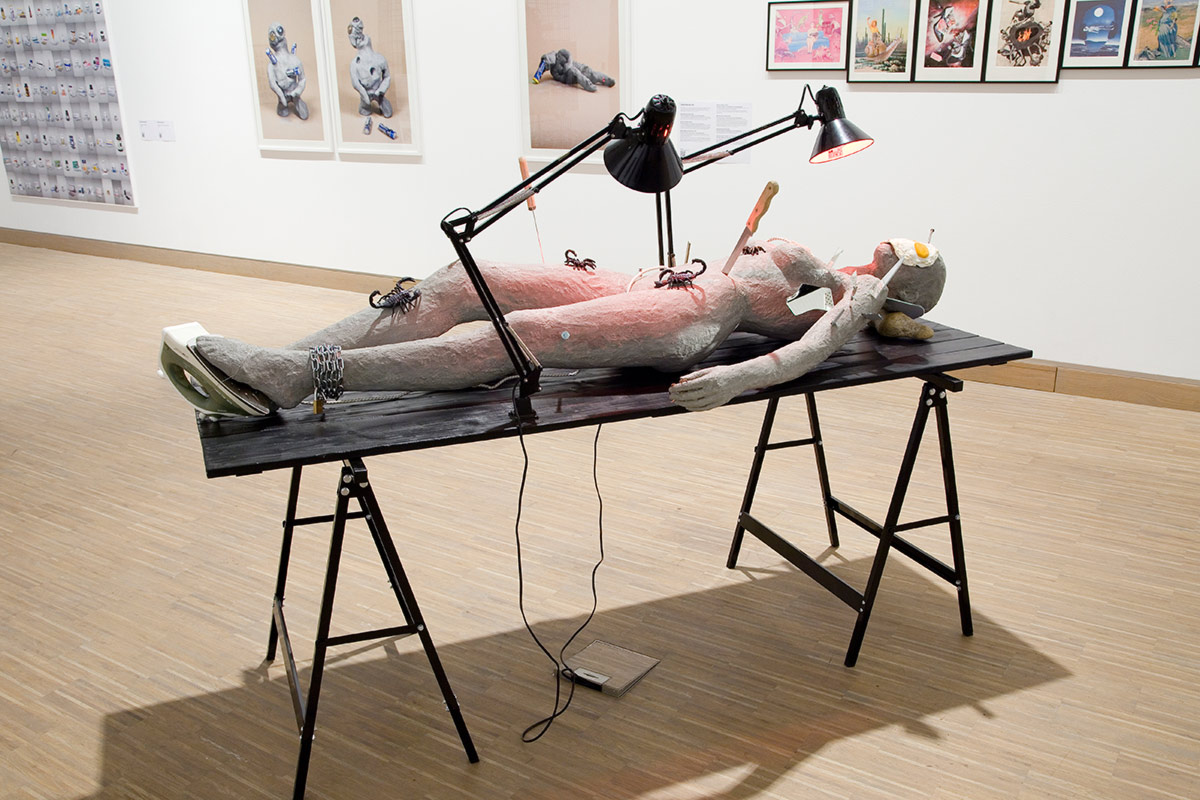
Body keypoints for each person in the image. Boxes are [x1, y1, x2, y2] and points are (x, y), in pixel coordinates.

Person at [166, 237, 945, 416]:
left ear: (904, 286)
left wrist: (736, 379)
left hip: (692, 314)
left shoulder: (853, 298)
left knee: (524, 334)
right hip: (649, 280)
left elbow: (806, 349)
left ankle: (300, 377)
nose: (892, 246)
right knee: (472, 277)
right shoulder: (826, 272)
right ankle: (273, 360)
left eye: (908, 257)